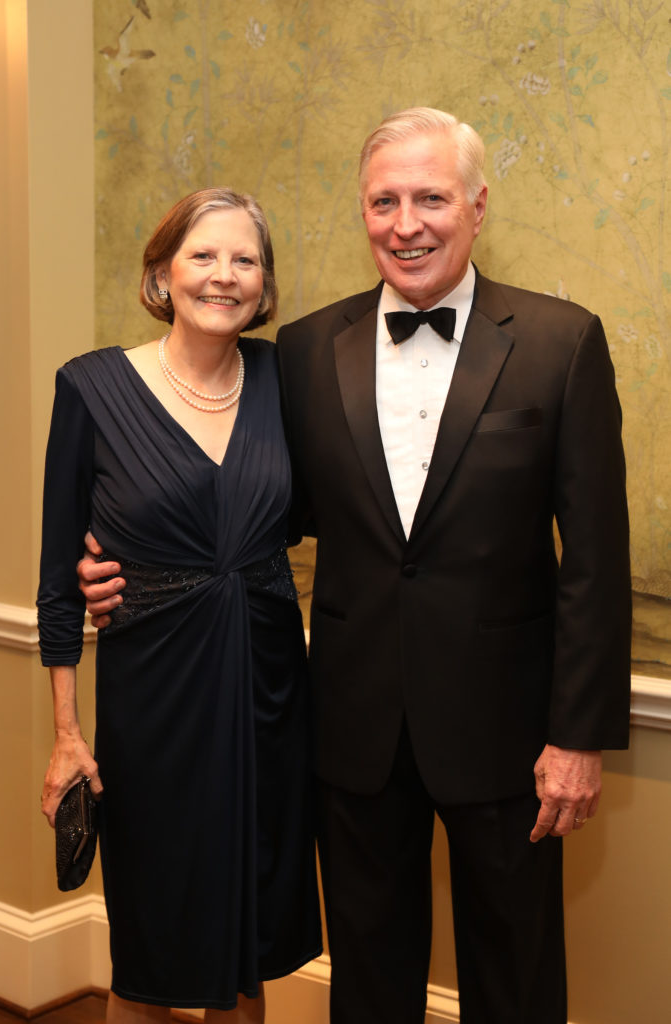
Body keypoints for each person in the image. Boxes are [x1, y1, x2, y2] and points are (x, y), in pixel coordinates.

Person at [80, 109, 632, 1024]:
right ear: (362, 211)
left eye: (430, 199)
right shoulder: (302, 351)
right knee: (369, 981)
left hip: (508, 732)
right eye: (383, 202)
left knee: (517, 976)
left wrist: (576, 738)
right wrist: (116, 562)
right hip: (349, 724)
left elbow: (596, 560)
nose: (404, 224)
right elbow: (257, 509)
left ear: (477, 207)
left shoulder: (560, 341)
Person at [37, 188, 322, 1024]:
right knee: (150, 952)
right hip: (153, 704)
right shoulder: (90, 386)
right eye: (203, 255)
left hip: (268, 697)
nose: (224, 275)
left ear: (264, 285)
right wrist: (67, 734)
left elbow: (307, 517)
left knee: (247, 954)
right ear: (162, 272)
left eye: (245, 260)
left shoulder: (283, 379)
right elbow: (58, 580)